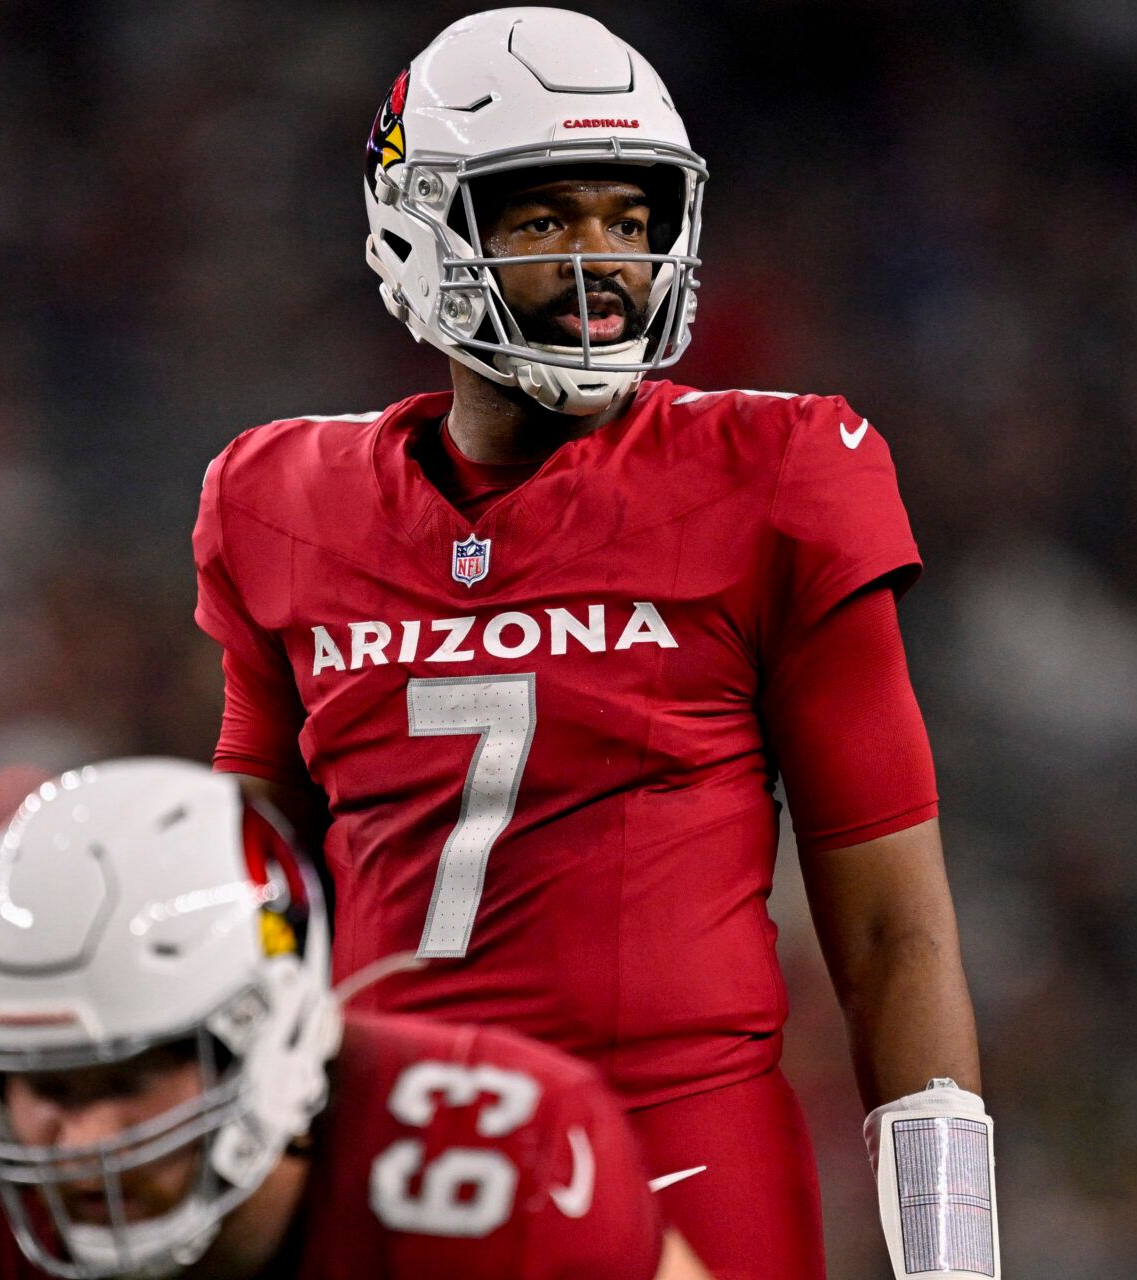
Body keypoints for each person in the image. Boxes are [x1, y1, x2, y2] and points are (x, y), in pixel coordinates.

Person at [192, 10, 991, 1276]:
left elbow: (900, 931)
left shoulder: (778, 474)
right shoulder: (278, 501)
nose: (602, 259)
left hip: (671, 1147)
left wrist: (954, 1265)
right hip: (385, 1158)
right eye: (547, 217)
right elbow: (248, 909)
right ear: (422, 221)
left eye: (630, 220)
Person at [0, 759, 713, 1279]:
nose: (85, 1138)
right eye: (48, 1086)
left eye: (133, 1079)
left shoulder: (487, 1165)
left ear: (273, 1035)